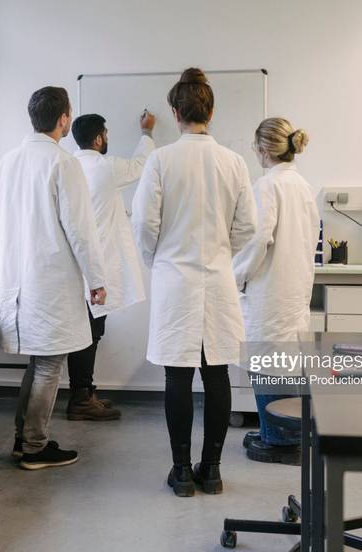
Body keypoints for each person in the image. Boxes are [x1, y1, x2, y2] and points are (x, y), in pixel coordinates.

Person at [132, 68, 257, 497]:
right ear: (211, 111)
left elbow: (144, 224)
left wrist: (158, 258)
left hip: (175, 280)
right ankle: (214, 470)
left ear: (175, 111)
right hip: (218, 279)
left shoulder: (161, 160)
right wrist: (222, 251)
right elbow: (248, 227)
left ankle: (182, 472)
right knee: (217, 372)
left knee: (177, 377)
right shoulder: (234, 162)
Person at [0, 86, 108, 470]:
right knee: (48, 364)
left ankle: (22, 439)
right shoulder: (63, 163)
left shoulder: (8, 161)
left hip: (19, 277)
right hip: (50, 280)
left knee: (39, 361)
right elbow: (80, 229)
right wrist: (96, 278)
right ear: (64, 119)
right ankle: (35, 446)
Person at [233, 117, 320, 463]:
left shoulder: (267, 186)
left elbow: (257, 241)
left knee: (268, 363)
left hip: (271, 291)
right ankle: (282, 431)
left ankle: (279, 441)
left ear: (263, 149)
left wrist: (235, 276)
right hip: (293, 287)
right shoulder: (302, 185)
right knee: (285, 363)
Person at [66, 111, 157, 421]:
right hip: (95, 265)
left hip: (74, 266)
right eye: (106, 133)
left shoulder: (70, 166)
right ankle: (80, 398)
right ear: (98, 139)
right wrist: (146, 133)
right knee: (90, 333)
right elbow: (139, 167)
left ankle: (85, 392)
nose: (108, 138)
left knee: (88, 331)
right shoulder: (104, 168)